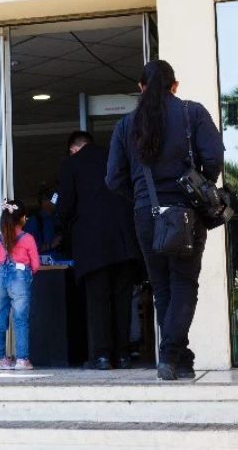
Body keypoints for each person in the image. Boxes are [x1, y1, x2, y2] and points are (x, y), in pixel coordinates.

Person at [106, 59, 224, 381]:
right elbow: (213, 159)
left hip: (147, 214)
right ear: (175, 85)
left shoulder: (125, 126)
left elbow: (113, 178)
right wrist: (195, 187)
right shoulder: (192, 112)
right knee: (183, 283)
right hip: (187, 211)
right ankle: (171, 355)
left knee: (162, 289)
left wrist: (144, 198)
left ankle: (181, 359)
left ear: (140, 87)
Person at [56, 131, 141, 370]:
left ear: (74, 149)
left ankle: (102, 356)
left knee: (98, 300)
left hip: (93, 244)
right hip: (125, 241)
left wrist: (64, 228)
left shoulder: (72, 164)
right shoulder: (118, 158)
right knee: (122, 300)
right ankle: (123, 355)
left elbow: (65, 207)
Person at [0, 199, 39, 370]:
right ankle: (22, 359)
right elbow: (36, 264)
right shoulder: (27, 238)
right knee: (20, 320)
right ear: (21, 219)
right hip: (20, 278)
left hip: (1, 279)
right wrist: (27, 274)